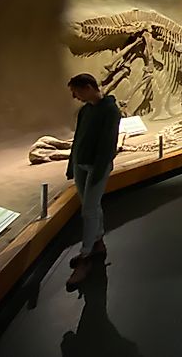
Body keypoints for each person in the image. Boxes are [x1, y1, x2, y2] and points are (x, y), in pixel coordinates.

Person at [65, 73, 120, 289]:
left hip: (97, 167)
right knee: (92, 206)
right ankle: (98, 242)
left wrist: (98, 172)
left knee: (88, 210)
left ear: (88, 87)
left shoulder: (110, 110)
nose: (74, 96)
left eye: (76, 91)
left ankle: (85, 256)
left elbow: (107, 145)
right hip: (81, 164)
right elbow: (78, 140)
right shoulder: (85, 111)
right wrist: (72, 165)